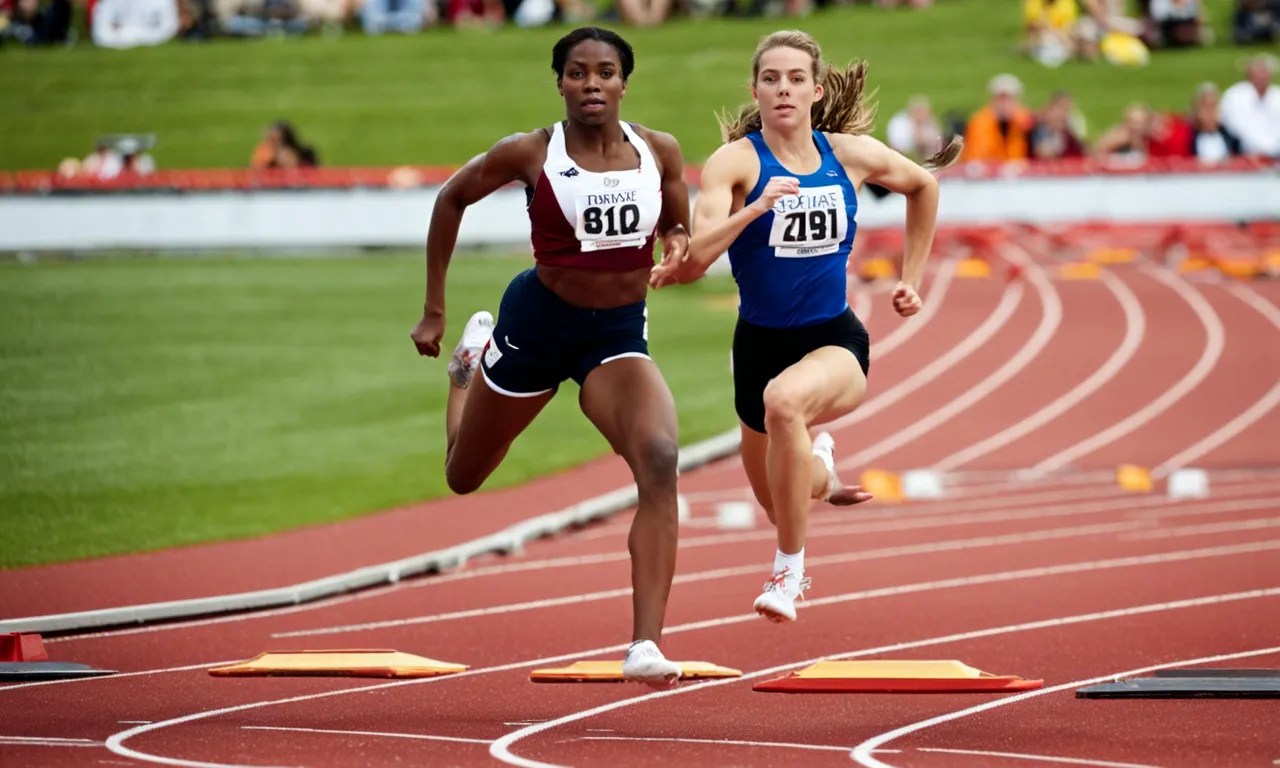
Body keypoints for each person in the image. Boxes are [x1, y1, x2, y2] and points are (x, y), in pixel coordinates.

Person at [409, 27, 691, 685]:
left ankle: (645, 645)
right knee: (463, 476)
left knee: (659, 458)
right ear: (560, 82)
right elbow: (451, 198)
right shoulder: (532, 152)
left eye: (605, 72)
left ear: (624, 83)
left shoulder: (660, 151)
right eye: (578, 72)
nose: (592, 83)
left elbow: (678, 223)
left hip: (615, 337)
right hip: (536, 327)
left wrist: (678, 241)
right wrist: (434, 309)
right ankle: (466, 370)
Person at [650, 30, 958, 624]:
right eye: (771, 79)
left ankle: (788, 573)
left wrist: (911, 279)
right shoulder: (735, 163)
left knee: (784, 402)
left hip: (833, 340)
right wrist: (756, 208)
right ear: (755, 90)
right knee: (782, 499)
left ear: (816, 90)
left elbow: (924, 185)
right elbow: (693, 265)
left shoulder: (848, 154)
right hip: (758, 346)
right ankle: (821, 472)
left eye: (796, 79)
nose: (783, 89)